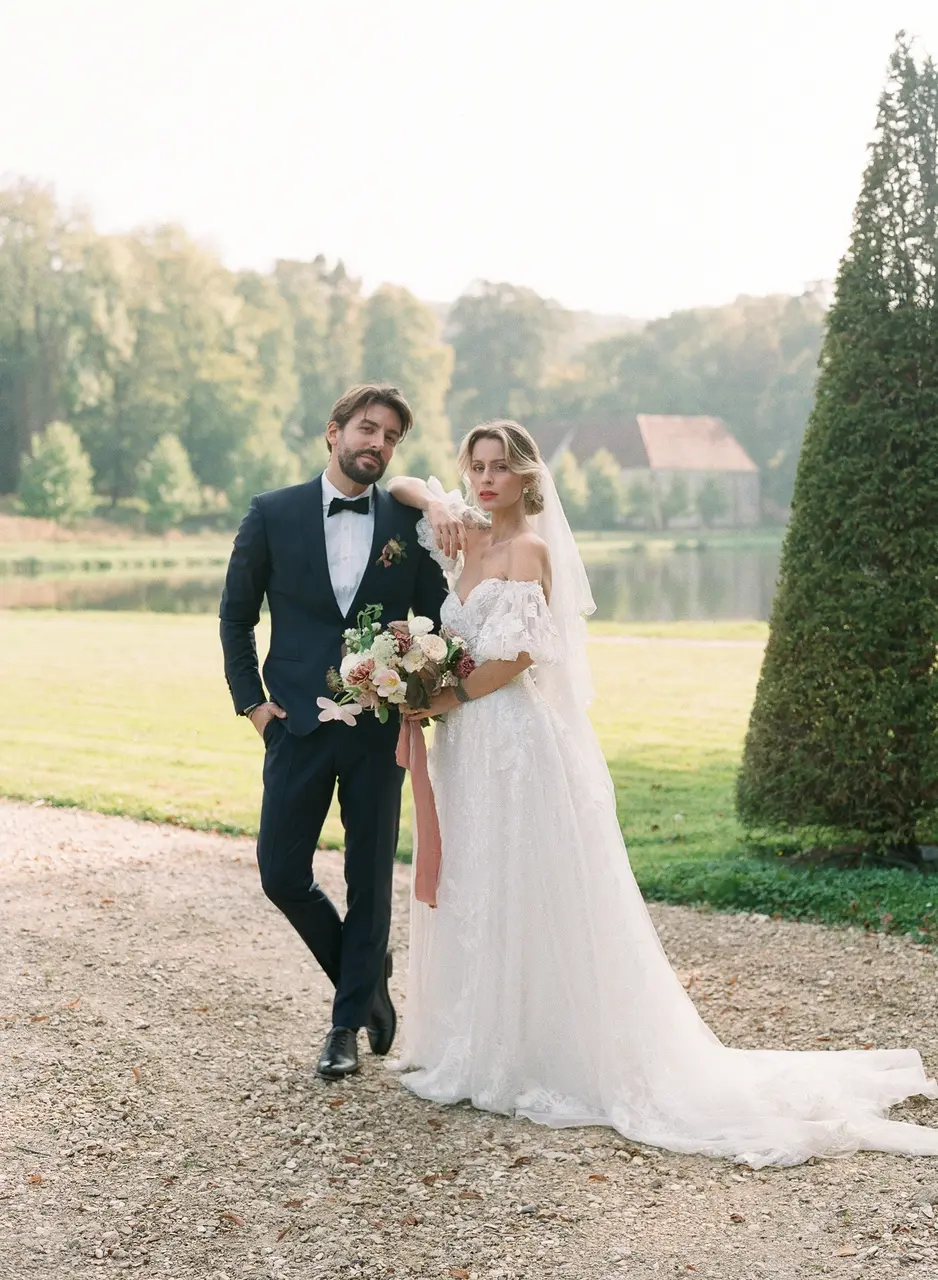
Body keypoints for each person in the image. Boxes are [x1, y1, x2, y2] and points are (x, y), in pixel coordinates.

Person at [385, 419, 938, 1167]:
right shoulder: (464, 534)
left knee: (518, 877)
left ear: (526, 478)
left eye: (499, 468)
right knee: (474, 877)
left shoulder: (528, 551)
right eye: (475, 467)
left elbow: (515, 658)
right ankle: (474, 1039)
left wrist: (441, 697)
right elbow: (401, 484)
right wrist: (434, 504)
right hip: (463, 747)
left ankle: (527, 1052)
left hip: (509, 739)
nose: (484, 480)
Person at [220, 384, 447, 1081]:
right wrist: (253, 705)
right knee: (281, 873)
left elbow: (439, 617)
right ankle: (367, 973)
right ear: (334, 431)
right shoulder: (272, 512)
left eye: (391, 437)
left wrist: (423, 682)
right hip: (294, 725)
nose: (377, 444)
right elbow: (236, 617)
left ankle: (344, 1026)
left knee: (369, 875)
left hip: (380, 728)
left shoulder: (409, 523)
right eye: (367, 429)